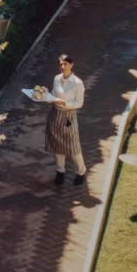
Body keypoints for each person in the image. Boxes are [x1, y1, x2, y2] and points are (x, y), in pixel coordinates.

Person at [46, 54, 86, 185]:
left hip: (68, 117)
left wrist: (65, 104)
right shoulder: (56, 78)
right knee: (57, 147)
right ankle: (60, 172)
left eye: (65, 64)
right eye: (61, 64)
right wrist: (46, 95)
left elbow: (79, 103)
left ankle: (81, 172)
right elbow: (53, 93)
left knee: (74, 147)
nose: (63, 67)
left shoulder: (78, 83)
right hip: (55, 115)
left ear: (71, 64)